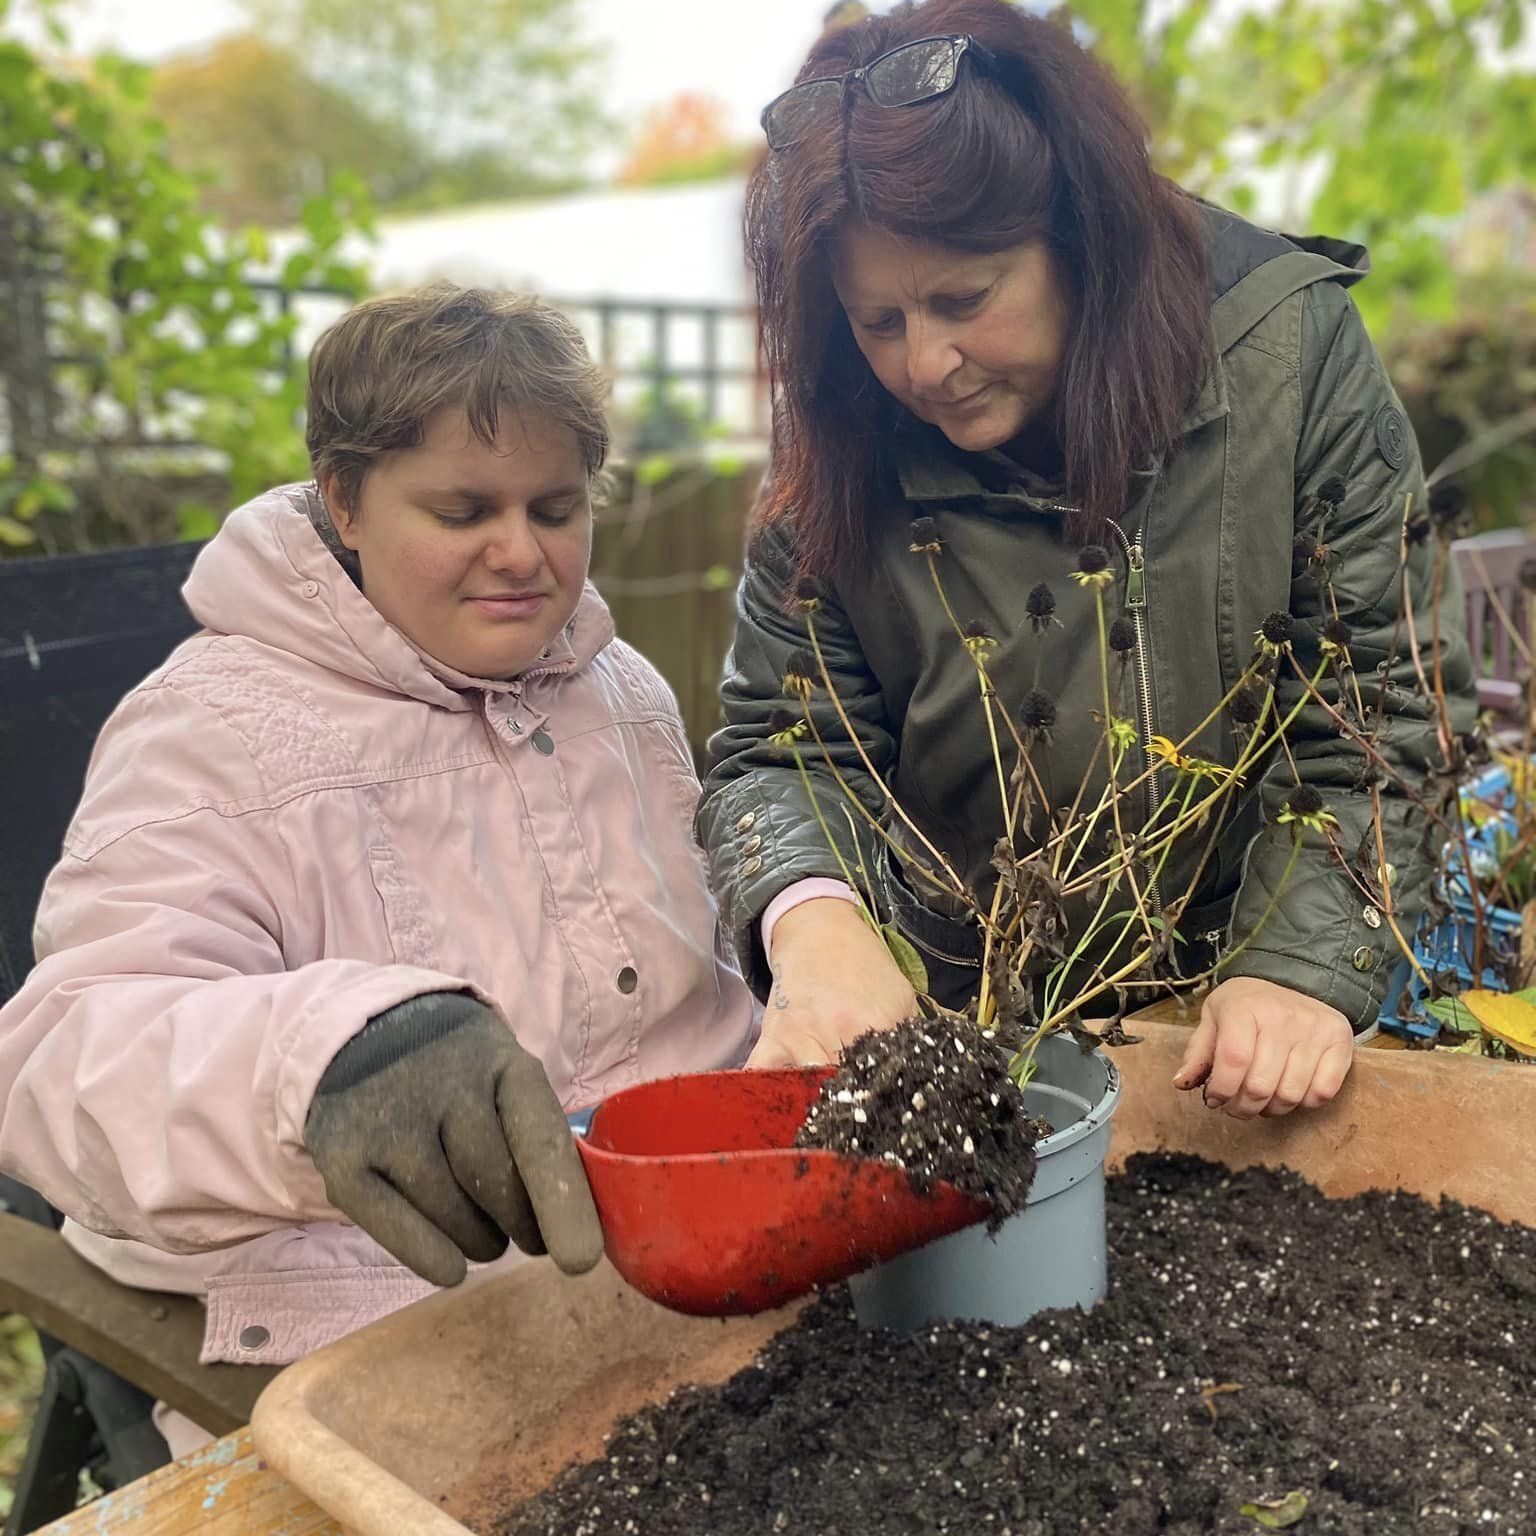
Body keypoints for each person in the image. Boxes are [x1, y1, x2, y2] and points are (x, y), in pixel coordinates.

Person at [0, 284, 757, 1447]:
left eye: (556, 507)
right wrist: (326, 1060)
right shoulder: (211, 734)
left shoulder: (624, 692)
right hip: (395, 1328)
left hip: (693, 1277)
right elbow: (60, 1061)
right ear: (343, 500)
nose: (521, 552)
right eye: (462, 510)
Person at [699, 0, 1475, 1119]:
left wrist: (1299, 968)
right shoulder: (841, 422)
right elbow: (784, 747)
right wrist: (817, 923)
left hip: (1229, 1014)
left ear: (1083, 234)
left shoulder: (1284, 356)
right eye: (878, 322)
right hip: (950, 1023)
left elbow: (1383, 709)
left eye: (965, 299)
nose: (925, 362)